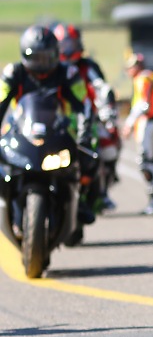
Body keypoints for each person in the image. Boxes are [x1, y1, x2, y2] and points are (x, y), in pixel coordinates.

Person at [0, 25, 96, 234]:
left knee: (88, 158)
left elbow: (83, 105)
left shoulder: (68, 73)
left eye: (47, 57)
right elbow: (0, 102)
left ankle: (80, 200)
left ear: (56, 55)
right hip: (21, 131)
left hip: (59, 129)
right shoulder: (13, 73)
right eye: (37, 57)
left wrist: (84, 134)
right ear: (25, 55)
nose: (42, 64)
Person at [53, 23, 121, 211]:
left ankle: (102, 190)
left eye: (71, 43)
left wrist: (107, 109)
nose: (67, 49)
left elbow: (101, 86)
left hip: (88, 116)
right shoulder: (52, 68)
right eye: (63, 44)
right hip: (58, 118)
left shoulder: (88, 66)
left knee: (109, 148)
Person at [121, 53, 153, 214]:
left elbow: (144, 104)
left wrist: (128, 124)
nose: (128, 71)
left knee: (147, 162)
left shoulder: (143, 79)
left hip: (148, 124)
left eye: (130, 68)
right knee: (151, 161)